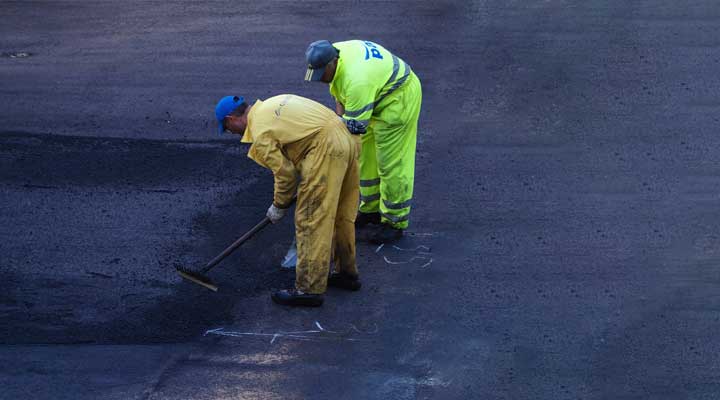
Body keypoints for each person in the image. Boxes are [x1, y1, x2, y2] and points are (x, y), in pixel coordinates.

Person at [214, 94, 362, 307]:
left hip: (325, 148)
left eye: (228, 128)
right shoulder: (273, 103)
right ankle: (346, 273)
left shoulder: (260, 129)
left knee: (311, 218)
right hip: (346, 139)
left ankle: (308, 289)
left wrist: (279, 205)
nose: (232, 133)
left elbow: (285, 174)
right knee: (341, 214)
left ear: (230, 119)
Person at [304, 39, 422, 244]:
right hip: (374, 96)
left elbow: (356, 129)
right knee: (365, 159)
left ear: (332, 63)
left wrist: (336, 153)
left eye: (322, 73)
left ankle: (394, 222)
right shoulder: (334, 54)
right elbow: (340, 98)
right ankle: (370, 210)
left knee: (391, 163)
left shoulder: (357, 80)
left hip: (398, 99)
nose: (320, 78)